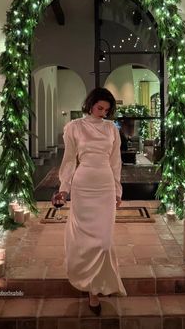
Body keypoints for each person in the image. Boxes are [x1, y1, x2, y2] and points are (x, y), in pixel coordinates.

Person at [53, 87, 127, 315]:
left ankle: (99, 283)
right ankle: (92, 291)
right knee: (83, 239)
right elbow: (68, 162)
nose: (103, 113)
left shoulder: (111, 129)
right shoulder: (74, 127)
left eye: (107, 110)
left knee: (104, 242)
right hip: (83, 186)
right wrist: (64, 189)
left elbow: (116, 162)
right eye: (99, 108)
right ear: (90, 105)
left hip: (104, 186)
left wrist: (117, 191)